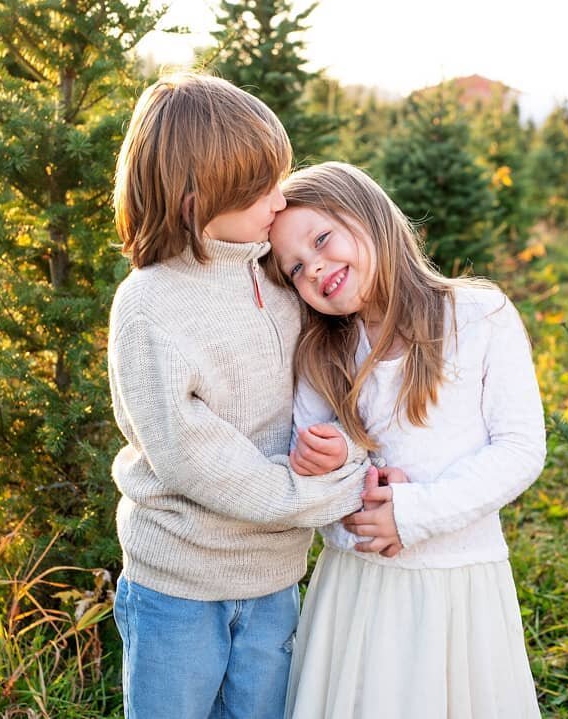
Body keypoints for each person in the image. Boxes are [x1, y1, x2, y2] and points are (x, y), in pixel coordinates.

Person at [108, 75, 373, 719]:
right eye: (260, 190)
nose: (279, 200)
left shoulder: (277, 278)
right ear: (198, 199)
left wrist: (335, 451)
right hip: (180, 588)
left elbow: (324, 387)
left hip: (274, 582)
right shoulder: (150, 305)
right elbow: (194, 458)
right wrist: (335, 493)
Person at [266, 162, 545, 719]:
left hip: (458, 585)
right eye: (295, 268)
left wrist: (414, 512)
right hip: (359, 589)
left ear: (369, 214)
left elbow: (520, 448)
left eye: (322, 239)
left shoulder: (477, 314)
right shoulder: (321, 355)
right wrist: (349, 471)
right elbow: (315, 472)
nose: (315, 267)